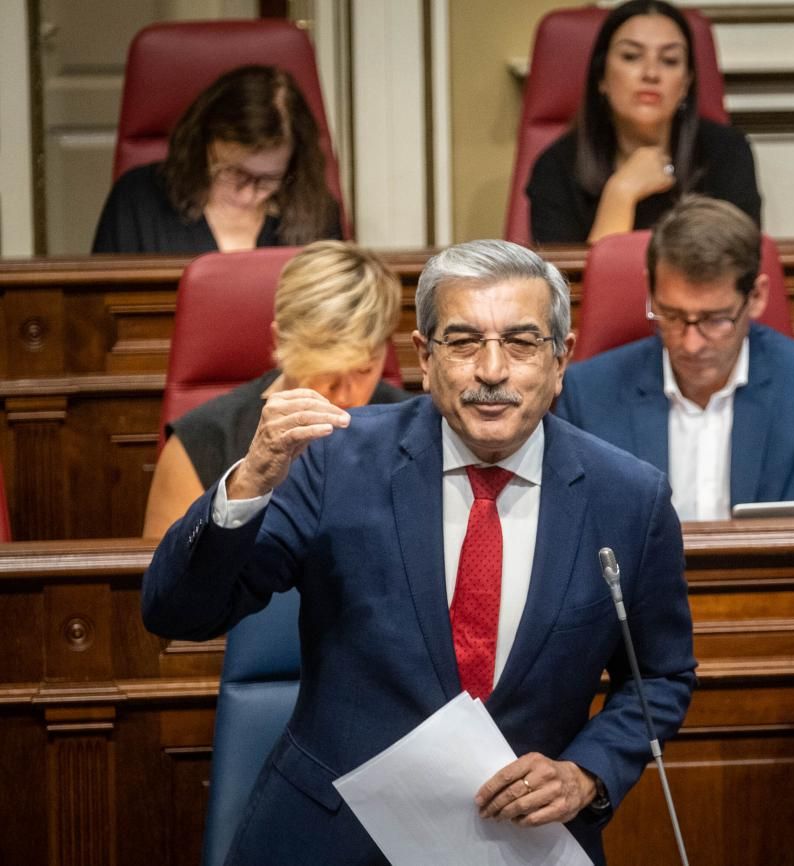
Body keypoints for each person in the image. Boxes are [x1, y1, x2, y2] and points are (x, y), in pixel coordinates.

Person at [141, 239, 695, 865]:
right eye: (462, 343)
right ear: (424, 359)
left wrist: (587, 773)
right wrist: (248, 486)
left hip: (519, 845)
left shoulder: (628, 497)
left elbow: (660, 675)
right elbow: (179, 613)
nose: (492, 370)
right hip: (333, 839)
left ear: (561, 360)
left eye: (520, 342)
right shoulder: (335, 462)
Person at [555, 196, 794, 520]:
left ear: (756, 297)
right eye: (671, 314)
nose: (692, 345)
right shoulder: (589, 392)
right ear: (650, 290)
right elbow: (579, 529)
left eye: (715, 319)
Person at [142, 240, 410, 538]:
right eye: (327, 373)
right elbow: (167, 579)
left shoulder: (416, 428)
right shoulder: (203, 439)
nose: (346, 395)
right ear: (281, 342)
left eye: (364, 369)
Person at [526, 0, 761, 245]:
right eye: (631, 56)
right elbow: (569, 282)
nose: (651, 73)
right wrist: (621, 192)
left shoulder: (727, 153)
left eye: (669, 60)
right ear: (601, 77)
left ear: (686, 84)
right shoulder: (556, 167)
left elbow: (738, 268)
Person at [92, 65, 341, 254]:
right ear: (203, 146)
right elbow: (99, 311)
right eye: (233, 172)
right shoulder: (137, 199)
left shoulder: (318, 212)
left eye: (268, 179)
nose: (246, 195)